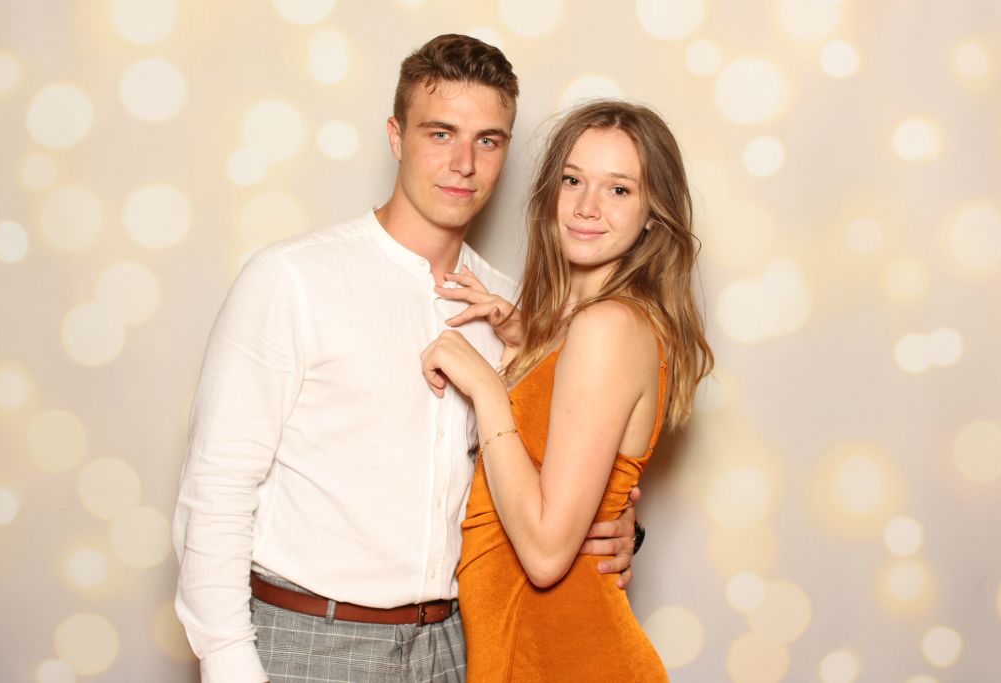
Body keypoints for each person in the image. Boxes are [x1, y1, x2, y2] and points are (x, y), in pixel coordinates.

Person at [172, 35, 639, 683]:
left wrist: (620, 525)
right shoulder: (293, 279)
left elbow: (551, 475)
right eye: (440, 134)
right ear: (396, 136)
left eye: (487, 140)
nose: (463, 164)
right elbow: (217, 486)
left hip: (460, 646)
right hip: (309, 641)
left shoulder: (511, 309)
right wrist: (227, 662)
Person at [420, 100, 714, 681]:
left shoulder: (607, 327)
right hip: (528, 655)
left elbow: (546, 554)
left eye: (619, 190)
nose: (586, 207)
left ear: (653, 213)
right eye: (573, 180)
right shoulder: (575, 326)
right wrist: (527, 343)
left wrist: (487, 388)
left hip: (570, 657)